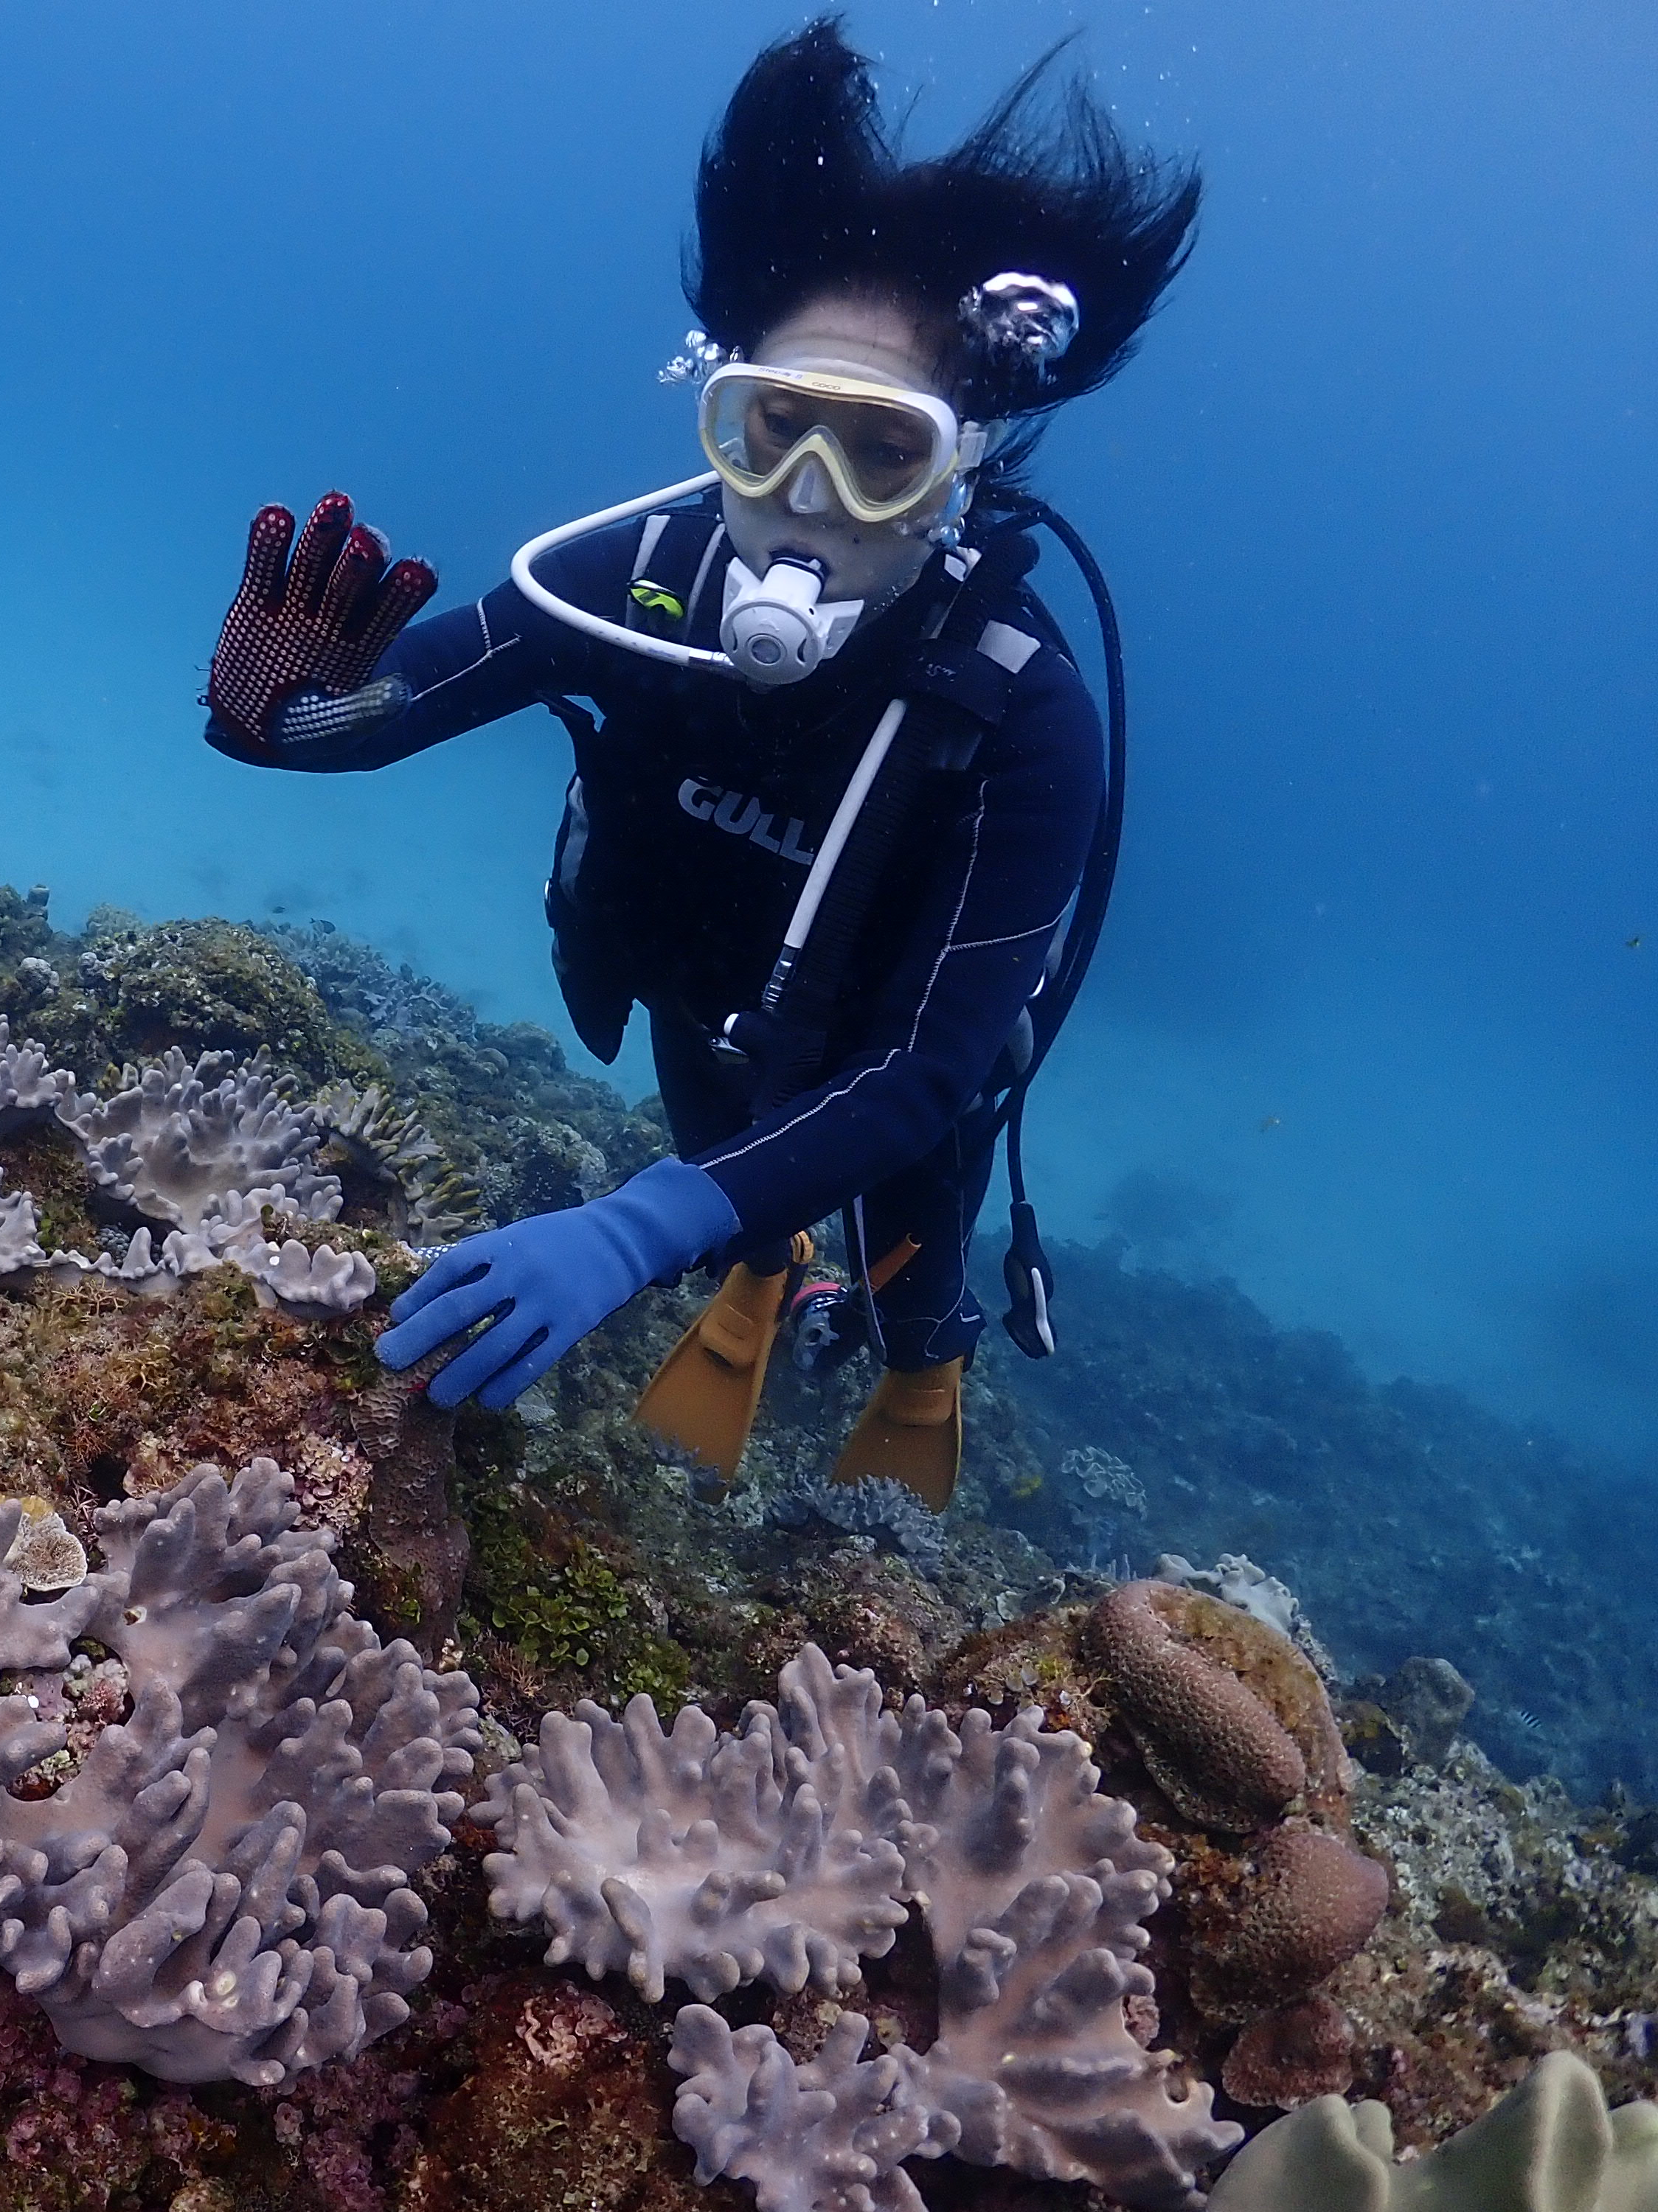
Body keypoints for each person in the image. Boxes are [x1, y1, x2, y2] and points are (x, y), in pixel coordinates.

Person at [200, 21, 1199, 1505]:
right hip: (691, 989)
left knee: (910, 1248)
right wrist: (271, 720)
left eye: (881, 453)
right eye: (772, 430)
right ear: (720, 416)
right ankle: (759, 1268)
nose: (810, 497)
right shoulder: (639, 577)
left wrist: (627, 1230)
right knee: (723, 1171)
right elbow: (381, 712)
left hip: (886, 1063)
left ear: (961, 468)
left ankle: (922, 1362)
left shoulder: (1021, 715)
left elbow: (927, 1069)